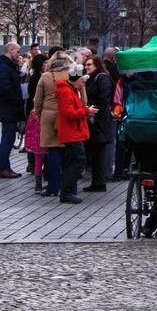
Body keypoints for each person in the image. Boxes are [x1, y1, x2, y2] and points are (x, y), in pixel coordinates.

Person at [34, 51, 83, 198]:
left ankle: (52, 187)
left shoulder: (46, 76)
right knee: (71, 154)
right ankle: (71, 188)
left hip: (49, 115)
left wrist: (39, 113)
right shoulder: (74, 74)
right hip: (69, 115)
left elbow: (37, 100)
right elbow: (82, 95)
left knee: (53, 152)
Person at [56, 60, 97, 204]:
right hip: (71, 132)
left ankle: (66, 191)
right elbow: (69, 114)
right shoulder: (66, 92)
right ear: (77, 80)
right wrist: (87, 111)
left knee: (71, 161)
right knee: (78, 161)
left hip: (73, 132)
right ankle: (66, 192)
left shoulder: (70, 90)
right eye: (82, 81)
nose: (83, 84)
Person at [83, 55, 115, 192]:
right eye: (85, 65)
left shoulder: (101, 78)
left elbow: (104, 98)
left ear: (97, 65)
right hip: (92, 119)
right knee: (94, 151)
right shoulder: (88, 78)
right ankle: (97, 181)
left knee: (98, 151)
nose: (86, 67)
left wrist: (95, 110)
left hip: (98, 120)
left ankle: (99, 182)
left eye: (89, 65)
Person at [0, 41, 25, 179]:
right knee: (7, 138)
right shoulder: (4, 67)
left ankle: (5, 167)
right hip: (8, 108)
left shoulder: (6, 66)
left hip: (8, 107)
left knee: (8, 137)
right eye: (17, 52)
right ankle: (2, 168)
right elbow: (5, 88)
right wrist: (16, 100)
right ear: (11, 50)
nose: (19, 55)